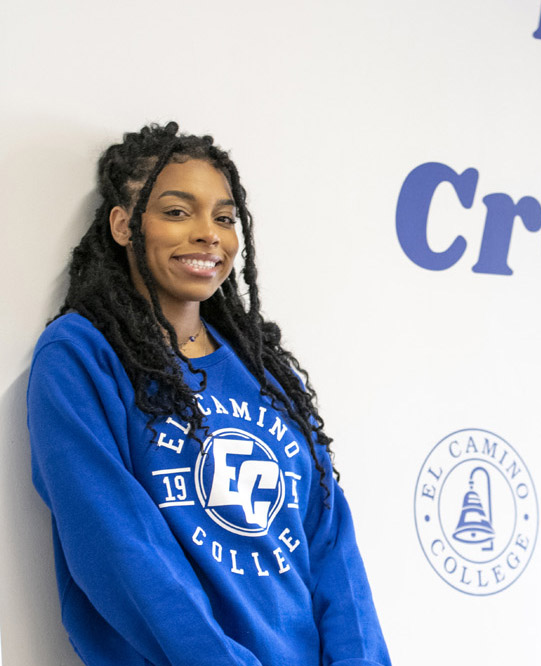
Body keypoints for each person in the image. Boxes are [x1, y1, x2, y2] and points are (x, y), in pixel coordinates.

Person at [26, 122, 391, 666]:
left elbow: (331, 545)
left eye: (224, 217)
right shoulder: (82, 356)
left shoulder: (261, 369)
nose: (208, 234)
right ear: (124, 226)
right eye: (177, 212)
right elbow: (119, 550)